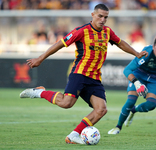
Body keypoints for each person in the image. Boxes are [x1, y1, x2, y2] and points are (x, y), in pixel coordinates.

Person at [19, 4, 148, 144]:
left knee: (101, 109)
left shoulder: (107, 32)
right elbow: (60, 44)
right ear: (93, 15)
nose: (103, 20)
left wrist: (136, 53)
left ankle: (74, 135)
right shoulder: (81, 31)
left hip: (95, 77)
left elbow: (120, 43)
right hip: (79, 73)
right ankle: (40, 92)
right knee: (67, 103)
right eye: (100, 16)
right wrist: (40, 58)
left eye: (106, 17)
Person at [108, 36, 156, 134]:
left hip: (155, 79)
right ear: (153, 47)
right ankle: (118, 127)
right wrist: (136, 83)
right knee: (130, 101)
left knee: (151, 105)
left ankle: (134, 110)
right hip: (139, 76)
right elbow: (127, 70)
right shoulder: (146, 53)